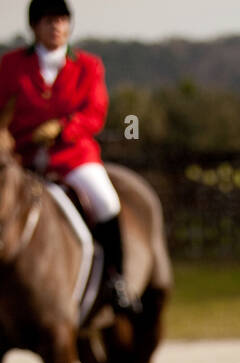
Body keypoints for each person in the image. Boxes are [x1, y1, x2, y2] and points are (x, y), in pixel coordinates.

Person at [0, 0, 138, 313]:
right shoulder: (10, 65)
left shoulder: (88, 65)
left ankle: (117, 279)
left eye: (62, 20)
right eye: (49, 21)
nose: (57, 27)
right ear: (35, 27)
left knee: (106, 201)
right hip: (21, 157)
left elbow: (95, 112)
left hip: (72, 156)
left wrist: (63, 128)